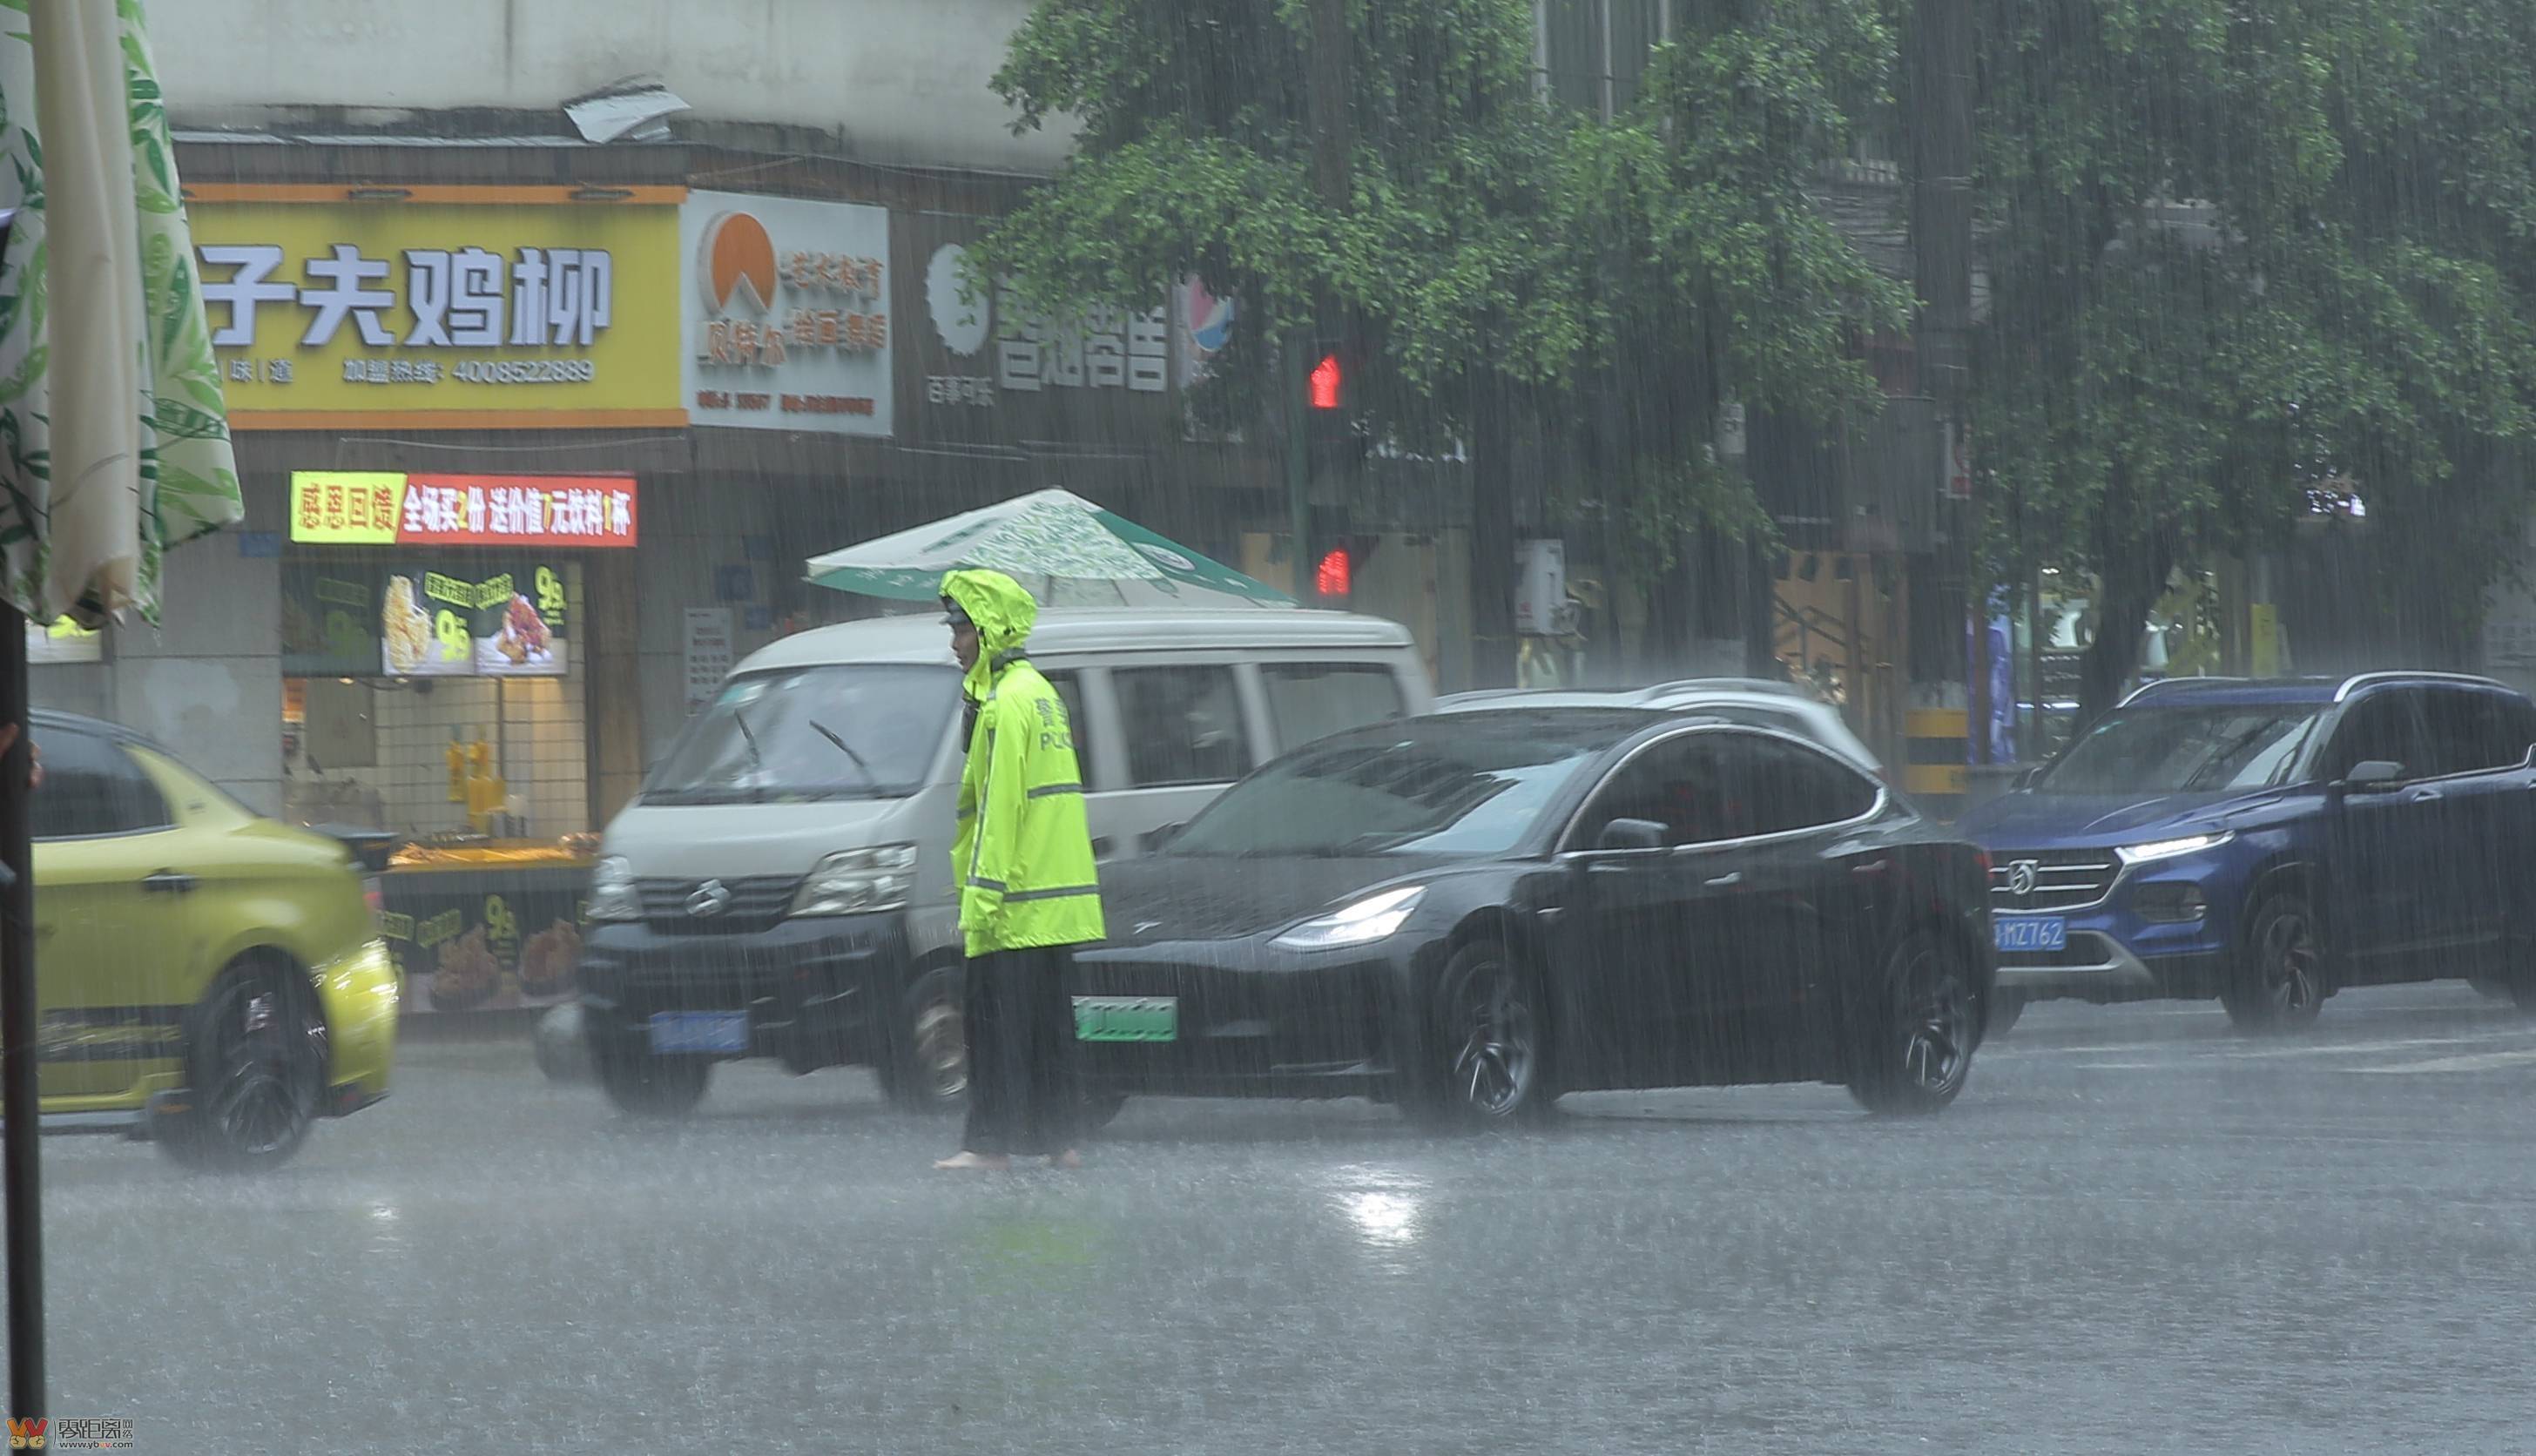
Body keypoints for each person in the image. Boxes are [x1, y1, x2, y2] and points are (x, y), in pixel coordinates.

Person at [933, 570, 1106, 1172]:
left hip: (1012, 907)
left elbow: (1000, 813)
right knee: (1049, 1034)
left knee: (996, 1032)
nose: (954, 644)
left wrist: (978, 905)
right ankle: (1062, 1143)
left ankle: (988, 1146)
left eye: (961, 630)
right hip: (1054, 908)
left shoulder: (1005, 706)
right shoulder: (1039, 693)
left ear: (989, 630)